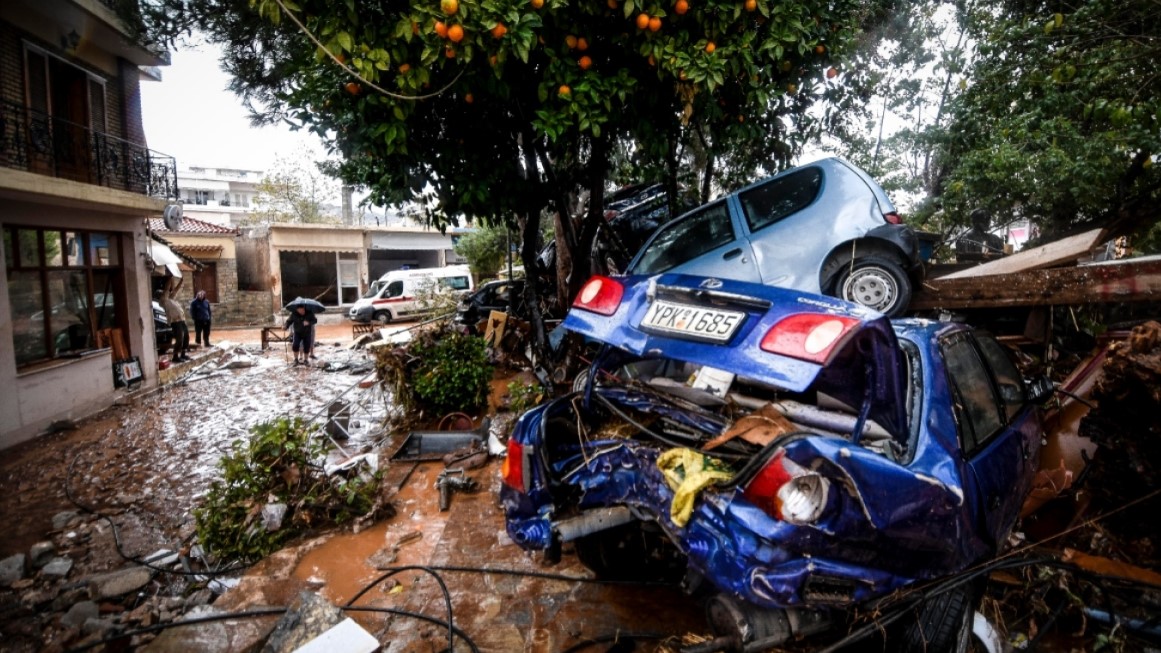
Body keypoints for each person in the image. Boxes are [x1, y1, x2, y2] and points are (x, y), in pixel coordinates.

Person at [158, 276, 190, 362]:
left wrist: (181, 282)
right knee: (180, 338)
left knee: (186, 336)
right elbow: (167, 289)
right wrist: (170, 278)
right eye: (163, 293)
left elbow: (175, 290)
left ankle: (183, 354)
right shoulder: (163, 300)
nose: (166, 293)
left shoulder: (170, 299)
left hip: (181, 320)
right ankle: (175, 356)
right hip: (175, 321)